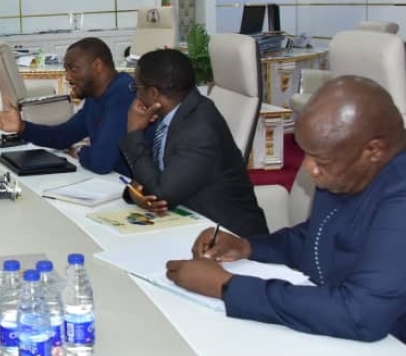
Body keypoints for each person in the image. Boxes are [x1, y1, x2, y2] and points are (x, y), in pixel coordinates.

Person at [167, 76, 406, 342]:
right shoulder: (348, 167)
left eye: (320, 160)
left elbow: (361, 314)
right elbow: (318, 237)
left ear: (373, 150)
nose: (308, 168)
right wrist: (248, 247)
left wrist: (227, 287)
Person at [119, 48, 268, 237]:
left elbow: (162, 193)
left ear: (154, 93)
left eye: (137, 88)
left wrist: (134, 133)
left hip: (229, 238)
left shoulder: (198, 130)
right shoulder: (173, 113)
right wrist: (135, 194)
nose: (136, 96)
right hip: (188, 223)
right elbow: (150, 179)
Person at [0, 37, 134, 176]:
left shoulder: (123, 94)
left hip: (131, 190)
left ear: (97, 66)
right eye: (66, 70)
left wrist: (79, 150)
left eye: (73, 69)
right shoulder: (95, 96)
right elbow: (63, 136)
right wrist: (22, 127)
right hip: (111, 182)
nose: (68, 77)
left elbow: (101, 162)